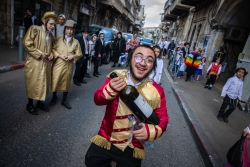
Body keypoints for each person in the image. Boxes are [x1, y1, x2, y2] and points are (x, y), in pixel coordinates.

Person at [85, 45, 169, 167]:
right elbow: (98, 100)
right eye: (138, 57)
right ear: (130, 59)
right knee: (91, 162)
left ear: (153, 66)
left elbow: (163, 119)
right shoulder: (116, 76)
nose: (143, 63)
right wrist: (110, 89)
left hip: (132, 145)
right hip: (106, 137)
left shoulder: (157, 90)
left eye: (149, 60)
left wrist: (151, 131)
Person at [22, 12, 58, 115]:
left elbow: (54, 48)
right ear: (44, 21)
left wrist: (52, 54)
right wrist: (39, 54)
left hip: (46, 63)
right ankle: (29, 104)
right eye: (51, 24)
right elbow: (26, 43)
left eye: (54, 25)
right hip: (35, 62)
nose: (52, 26)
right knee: (33, 83)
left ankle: (40, 103)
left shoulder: (51, 36)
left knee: (44, 83)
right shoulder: (35, 29)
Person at [50, 20, 82, 109]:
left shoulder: (76, 42)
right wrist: (59, 55)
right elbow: (53, 49)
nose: (69, 31)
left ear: (73, 31)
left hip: (68, 65)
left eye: (71, 29)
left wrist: (73, 56)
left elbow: (79, 54)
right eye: (67, 29)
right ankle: (54, 97)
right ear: (65, 29)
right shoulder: (58, 38)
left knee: (67, 82)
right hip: (58, 64)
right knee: (55, 80)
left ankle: (64, 100)